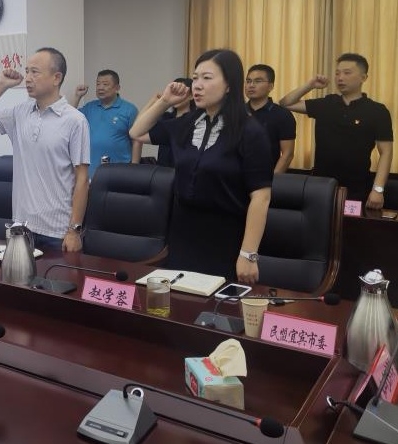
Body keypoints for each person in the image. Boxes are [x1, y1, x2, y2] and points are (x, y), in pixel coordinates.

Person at [130, 49, 272, 284]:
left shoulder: (250, 131)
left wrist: (248, 253)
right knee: (181, 298)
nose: (197, 85)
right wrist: (165, 101)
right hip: (182, 233)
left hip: (225, 237)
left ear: (229, 85)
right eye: (195, 78)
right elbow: (137, 132)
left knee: (216, 302)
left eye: (207, 78)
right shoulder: (187, 124)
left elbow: (261, 196)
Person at [0, 47, 90, 252]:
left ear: (56, 78)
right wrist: (1, 86)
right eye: (26, 71)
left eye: (35, 72)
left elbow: (82, 179)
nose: (27, 78)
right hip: (21, 227)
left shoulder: (75, 120)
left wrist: (74, 230)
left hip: (58, 231)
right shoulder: (20, 113)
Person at [279, 53, 393, 208]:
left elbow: (386, 152)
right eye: (337, 73)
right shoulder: (326, 104)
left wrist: (378, 189)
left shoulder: (377, 111)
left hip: (356, 188)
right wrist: (310, 85)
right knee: (316, 222)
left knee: (350, 222)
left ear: (363, 77)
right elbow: (286, 103)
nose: (340, 78)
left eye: (347, 73)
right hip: (320, 186)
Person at [69, 69, 141, 178]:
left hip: (120, 172)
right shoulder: (90, 107)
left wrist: (134, 169)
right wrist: (77, 96)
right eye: (98, 84)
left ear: (117, 88)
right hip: (91, 173)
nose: (100, 87)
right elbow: (69, 119)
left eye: (105, 84)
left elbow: (137, 140)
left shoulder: (129, 110)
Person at [244, 64, 296, 173]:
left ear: (270, 86)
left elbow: (287, 154)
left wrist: (273, 179)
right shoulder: (237, 112)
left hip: (265, 176)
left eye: (258, 81)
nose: (251, 85)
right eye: (248, 81)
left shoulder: (282, 115)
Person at [133, 77, 194, 167]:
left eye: (181, 92)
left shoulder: (195, 120)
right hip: (162, 169)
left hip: (183, 169)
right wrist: (154, 101)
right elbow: (136, 129)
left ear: (191, 96)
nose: (176, 96)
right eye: (174, 92)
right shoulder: (166, 117)